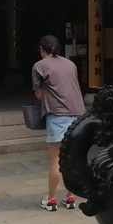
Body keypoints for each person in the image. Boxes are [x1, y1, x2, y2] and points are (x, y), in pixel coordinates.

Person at [32, 35, 87, 211]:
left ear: (41, 49)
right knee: (71, 157)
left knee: (56, 159)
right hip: (78, 113)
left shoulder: (39, 66)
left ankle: (51, 199)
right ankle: (70, 197)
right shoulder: (70, 64)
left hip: (58, 115)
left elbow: (39, 95)